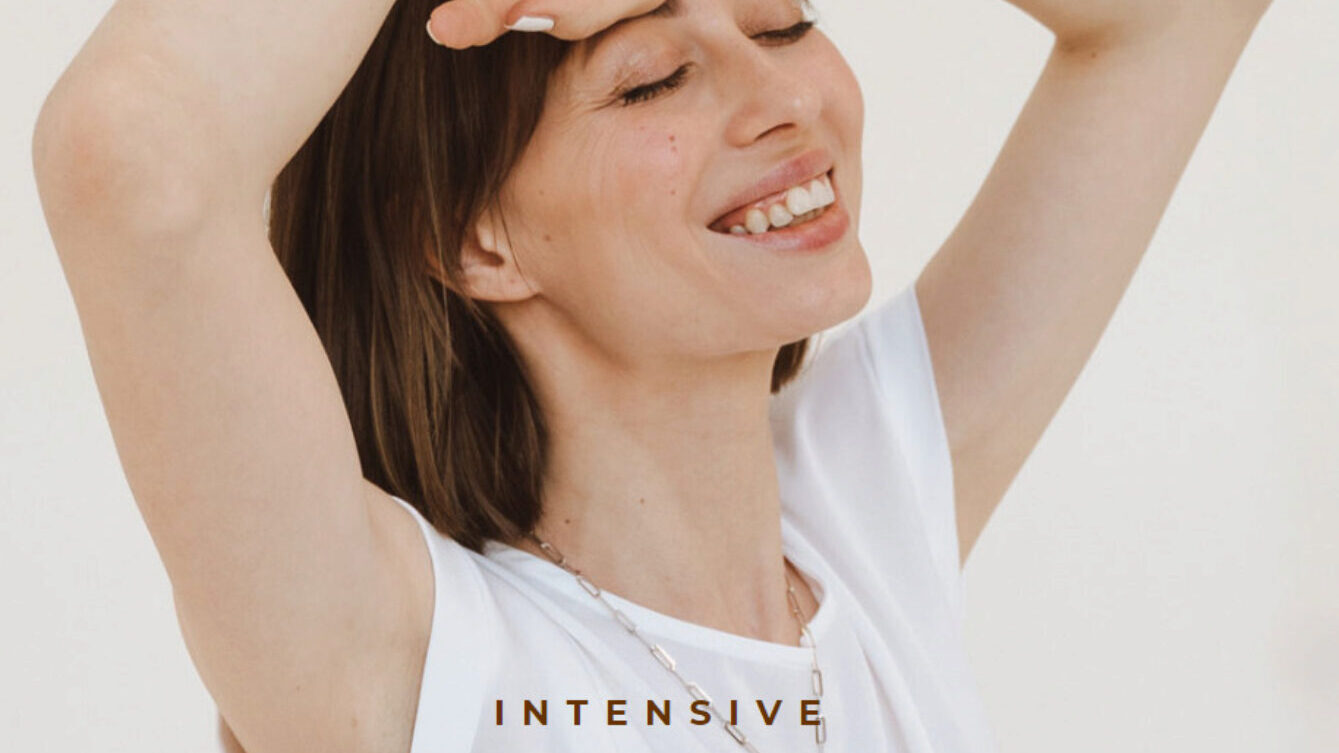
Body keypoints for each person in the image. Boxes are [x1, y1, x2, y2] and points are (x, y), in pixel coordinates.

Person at [31, 0, 1273, 750]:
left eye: (782, 22)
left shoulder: (866, 515)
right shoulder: (415, 663)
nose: (783, 98)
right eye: (654, 79)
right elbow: (131, 152)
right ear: (475, 238)